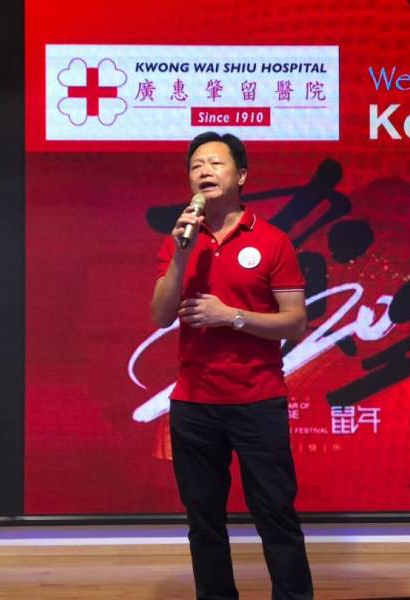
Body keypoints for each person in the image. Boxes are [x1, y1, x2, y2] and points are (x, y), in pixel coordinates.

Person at [150, 131, 313, 600]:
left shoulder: (272, 240)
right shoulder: (179, 241)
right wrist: (181, 256)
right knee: (203, 521)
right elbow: (160, 315)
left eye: (215, 163)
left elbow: (296, 322)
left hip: (257, 401)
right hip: (194, 404)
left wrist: (232, 316)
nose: (204, 171)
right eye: (196, 165)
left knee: (275, 514)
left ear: (240, 176)